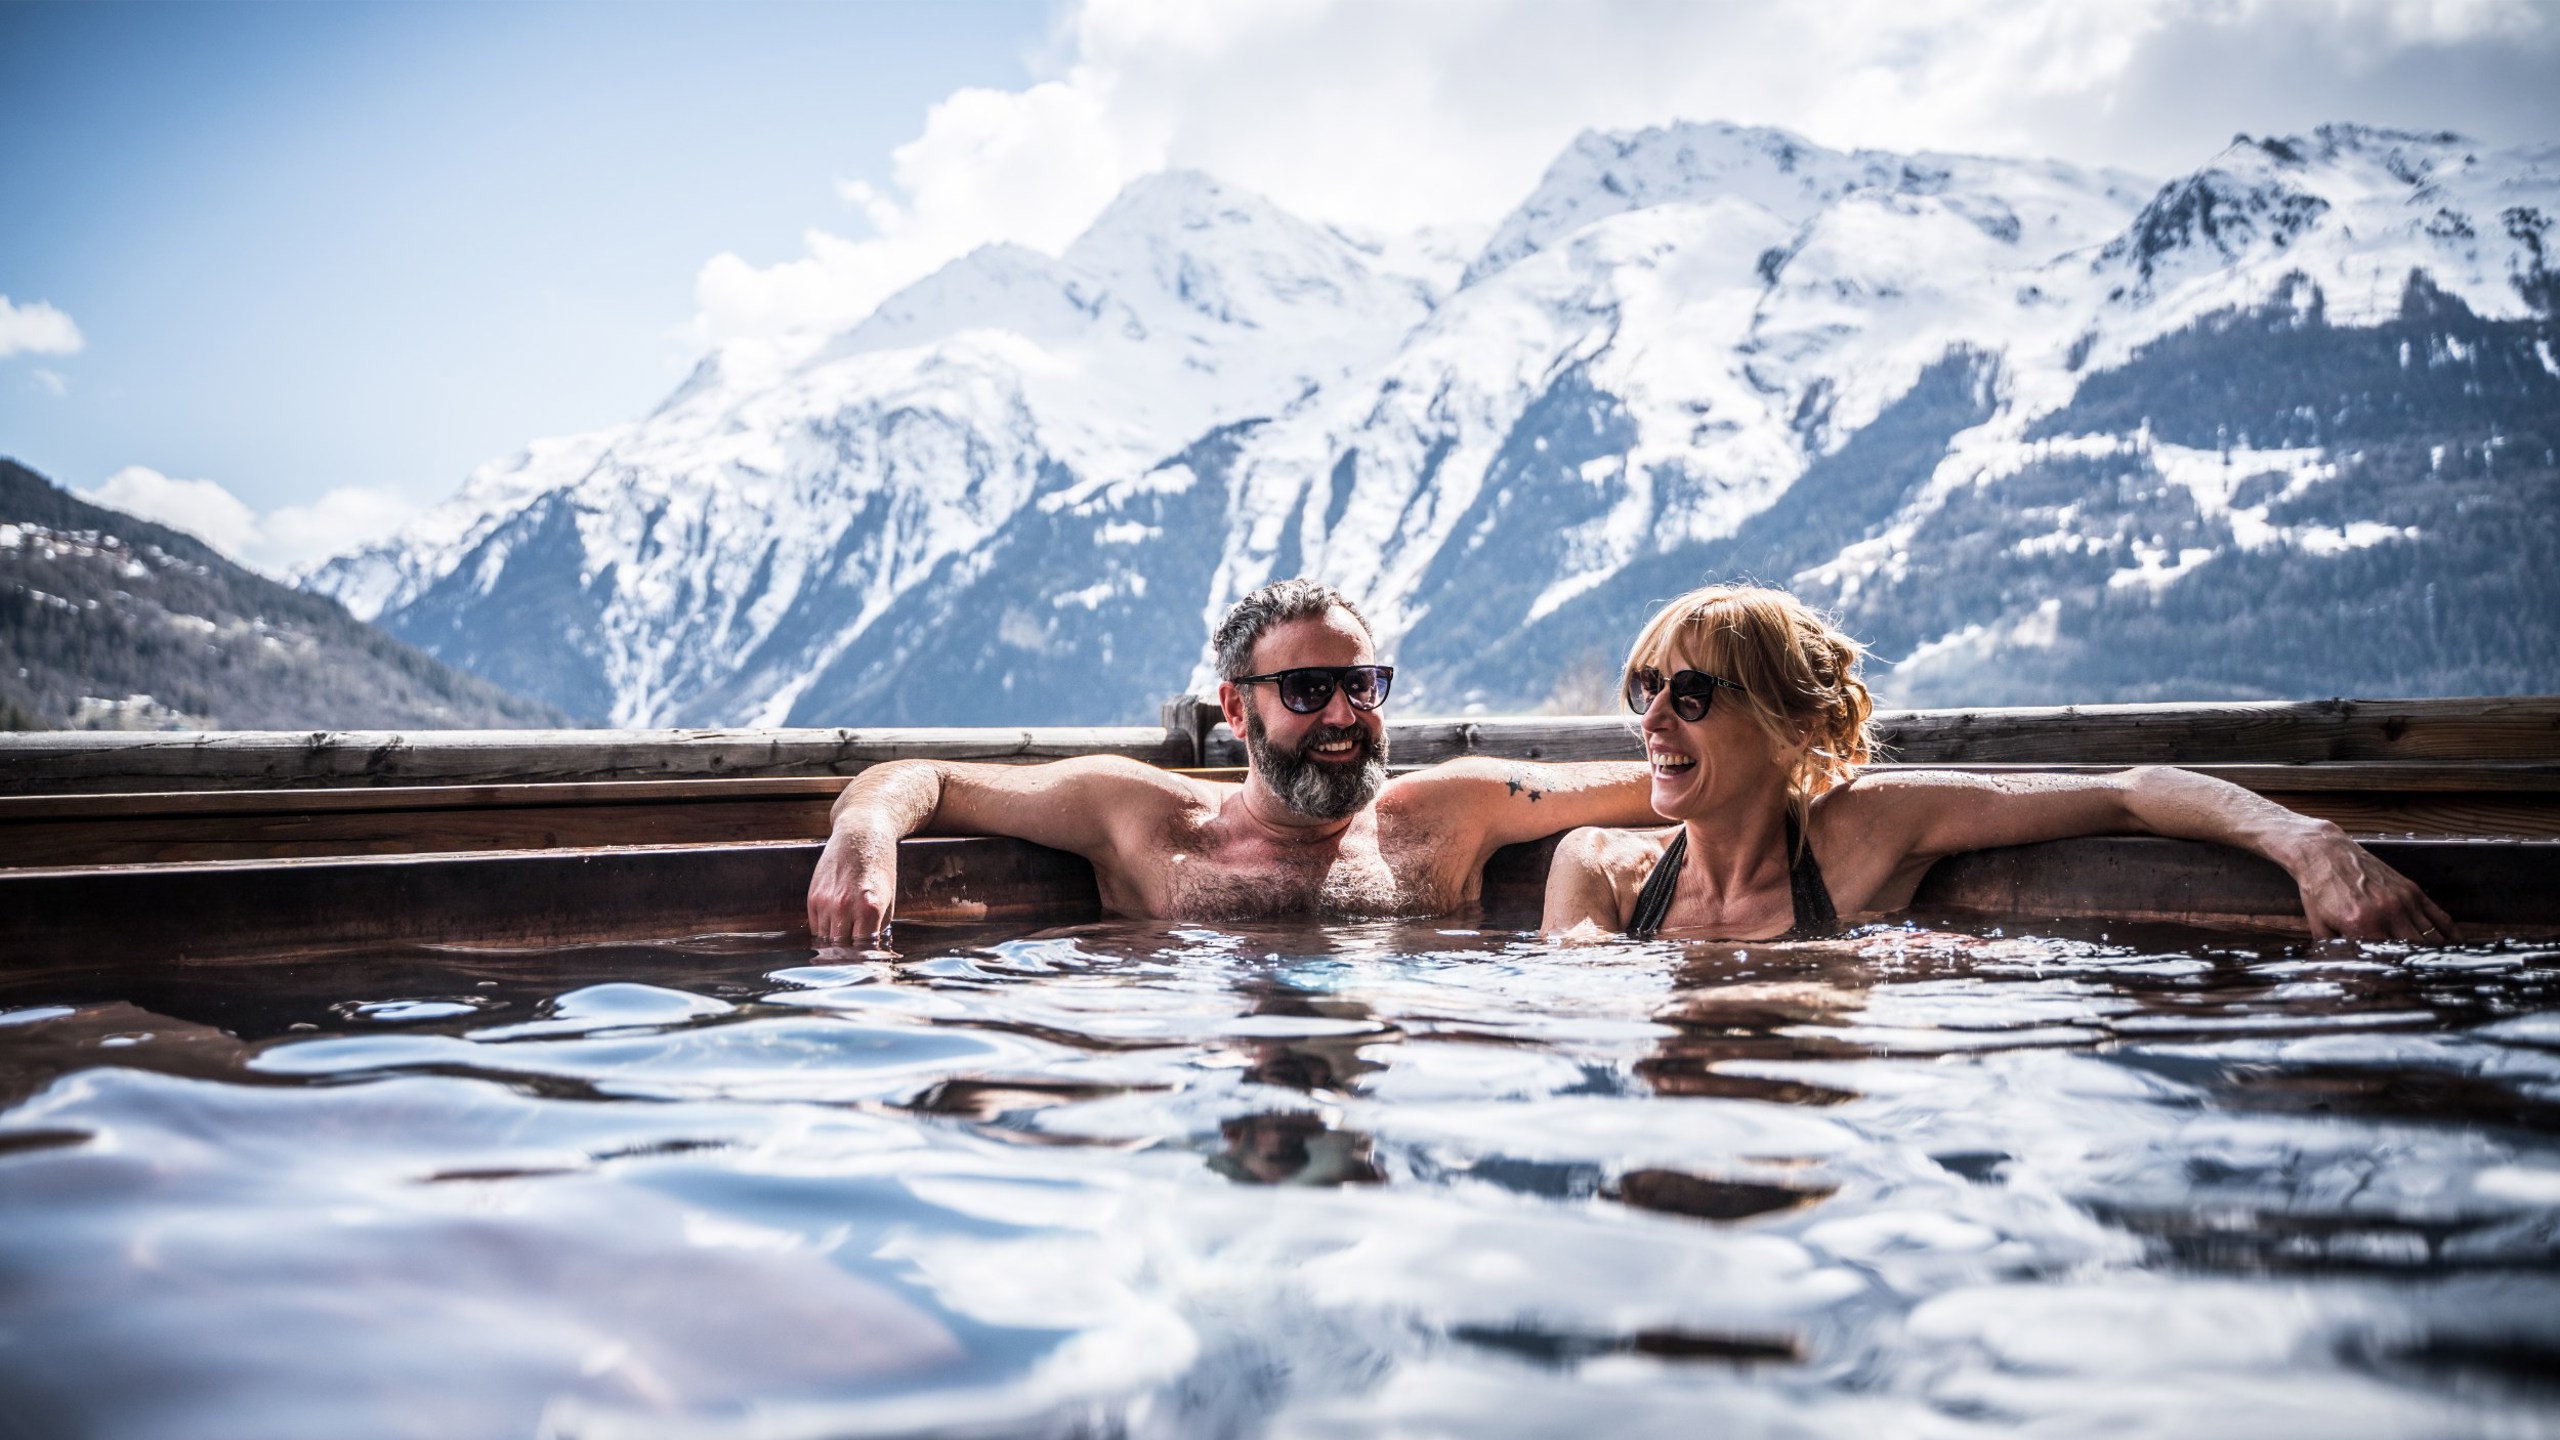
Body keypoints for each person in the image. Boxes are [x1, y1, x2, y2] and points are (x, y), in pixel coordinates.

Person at [1543, 584, 2454, 943]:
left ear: (1790, 726)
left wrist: (2308, 844)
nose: (1655, 717)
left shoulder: (1865, 835)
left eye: (1692, 694)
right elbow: (1579, 1017)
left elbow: (2127, 795)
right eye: (1644, 688)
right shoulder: (1602, 871)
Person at [806, 579, 1659, 940]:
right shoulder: (1139, 813)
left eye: (1361, 685)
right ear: (1234, 707)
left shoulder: (1453, 808)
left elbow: (1654, 785)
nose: (1342, 715)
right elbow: (926, 777)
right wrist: (867, 830)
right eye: (1305, 689)